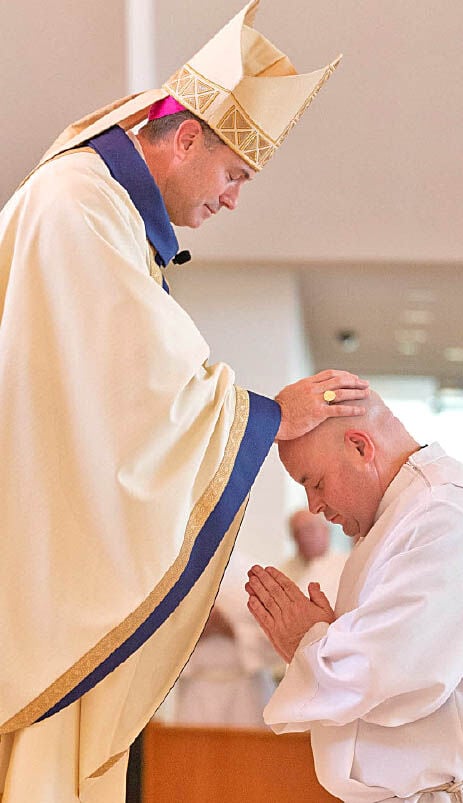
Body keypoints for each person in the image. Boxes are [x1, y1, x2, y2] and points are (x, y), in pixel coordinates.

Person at [0, 4, 366, 801]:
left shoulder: (99, 209)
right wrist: (266, 413)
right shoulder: (78, 207)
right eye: (236, 174)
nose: (234, 200)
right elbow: (137, 391)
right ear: (187, 136)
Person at [245, 392, 463, 802]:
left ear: (360, 446)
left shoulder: (447, 514)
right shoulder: (405, 514)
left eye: (314, 483)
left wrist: (309, 643)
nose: (314, 506)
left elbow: (396, 673)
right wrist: (326, 640)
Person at [169, 550, 279, 728]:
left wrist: (230, 630)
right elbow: (162, 639)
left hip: (246, 690)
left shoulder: (256, 576)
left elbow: (276, 635)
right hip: (197, 690)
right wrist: (196, 632)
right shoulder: (178, 577)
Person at [280, 509, 348, 606]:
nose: (304, 536)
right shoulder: (284, 571)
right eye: (298, 532)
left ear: (326, 530)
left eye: (310, 528)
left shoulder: (346, 565)